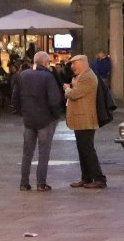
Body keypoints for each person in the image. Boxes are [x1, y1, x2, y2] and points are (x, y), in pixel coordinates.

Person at [13, 51, 65, 191]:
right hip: (45, 120)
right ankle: (41, 183)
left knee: (27, 152)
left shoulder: (23, 75)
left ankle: (24, 183)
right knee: (44, 152)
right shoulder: (48, 77)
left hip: (28, 120)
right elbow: (54, 100)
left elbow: (15, 97)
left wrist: (22, 113)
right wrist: (56, 115)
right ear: (46, 62)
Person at [64, 54, 107, 189]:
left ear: (82, 63)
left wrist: (67, 89)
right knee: (82, 149)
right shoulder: (82, 76)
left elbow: (74, 94)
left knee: (87, 149)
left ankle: (99, 178)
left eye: (74, 64)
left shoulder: (88, 77)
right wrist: (74, 84)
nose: (72, 67)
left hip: (86, 119)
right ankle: (86, 177)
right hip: (80, 119)